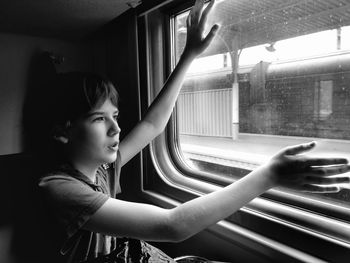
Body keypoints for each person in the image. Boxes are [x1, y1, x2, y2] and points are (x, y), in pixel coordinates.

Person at [28, 0, 350, 262]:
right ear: (62, 132)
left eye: (115, 115)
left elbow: (153, 125)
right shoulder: (59, 188)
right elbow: (172, 226)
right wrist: (270, 175)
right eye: (99, 119)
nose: (116, 127)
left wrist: (189, 55)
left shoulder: (104, 168)